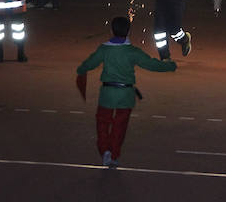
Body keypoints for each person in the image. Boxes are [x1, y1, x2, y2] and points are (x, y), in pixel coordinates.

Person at [76, 15, 177, 167]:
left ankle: (105, 152)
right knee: (120, 127)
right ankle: (114, 153)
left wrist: (81, 69)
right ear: (128, 31)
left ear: (112, 30)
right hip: (126, 95)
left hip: (107, 94)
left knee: (103, 124)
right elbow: (151, 64)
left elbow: (88, 64)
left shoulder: (104, 49)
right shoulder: (132, 51)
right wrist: (170, 65)